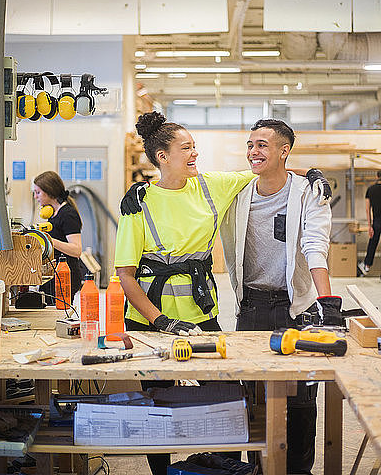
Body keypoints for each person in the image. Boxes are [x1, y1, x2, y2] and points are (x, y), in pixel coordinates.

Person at [116, 112, 331, 475]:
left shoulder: (210, 185)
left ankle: (233, 469)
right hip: (152, 322)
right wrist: (160, 319)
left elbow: (268, 170)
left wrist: (312, 174)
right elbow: (125, 274)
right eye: (187, 148)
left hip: (203, 318)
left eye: (195, 146)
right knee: (157, 403)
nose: (195, 153)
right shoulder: (139, 203)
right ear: (163, 157)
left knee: (231, 400)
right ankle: (163, 471)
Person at [220, 119, 341, 475]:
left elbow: (315, 246)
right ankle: (255, 469)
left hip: (297, 309)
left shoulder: (309, 193)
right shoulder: (238, 190)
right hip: (252, 308)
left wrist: (327, 302)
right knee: (249, 397)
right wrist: (144, 189)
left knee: (302, 400)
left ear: (284, 151)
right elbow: (190, 186)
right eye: (250, 145)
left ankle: (298, 470)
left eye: (262, 146)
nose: (253, 152)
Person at [33, 171, 82, 302]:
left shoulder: (68, 215)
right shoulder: (53, 213)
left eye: (38, 192)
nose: (35, 197)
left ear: (49, 192)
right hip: (53, 274)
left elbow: (76, 250)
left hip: (66, 275)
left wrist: (49, 241)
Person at [358, 170, 381, 275]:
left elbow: (368, 209)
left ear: (377, 176)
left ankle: (367, 265)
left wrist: (369, 226)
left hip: (377, 221)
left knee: (373, 242)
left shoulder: (371, 190)